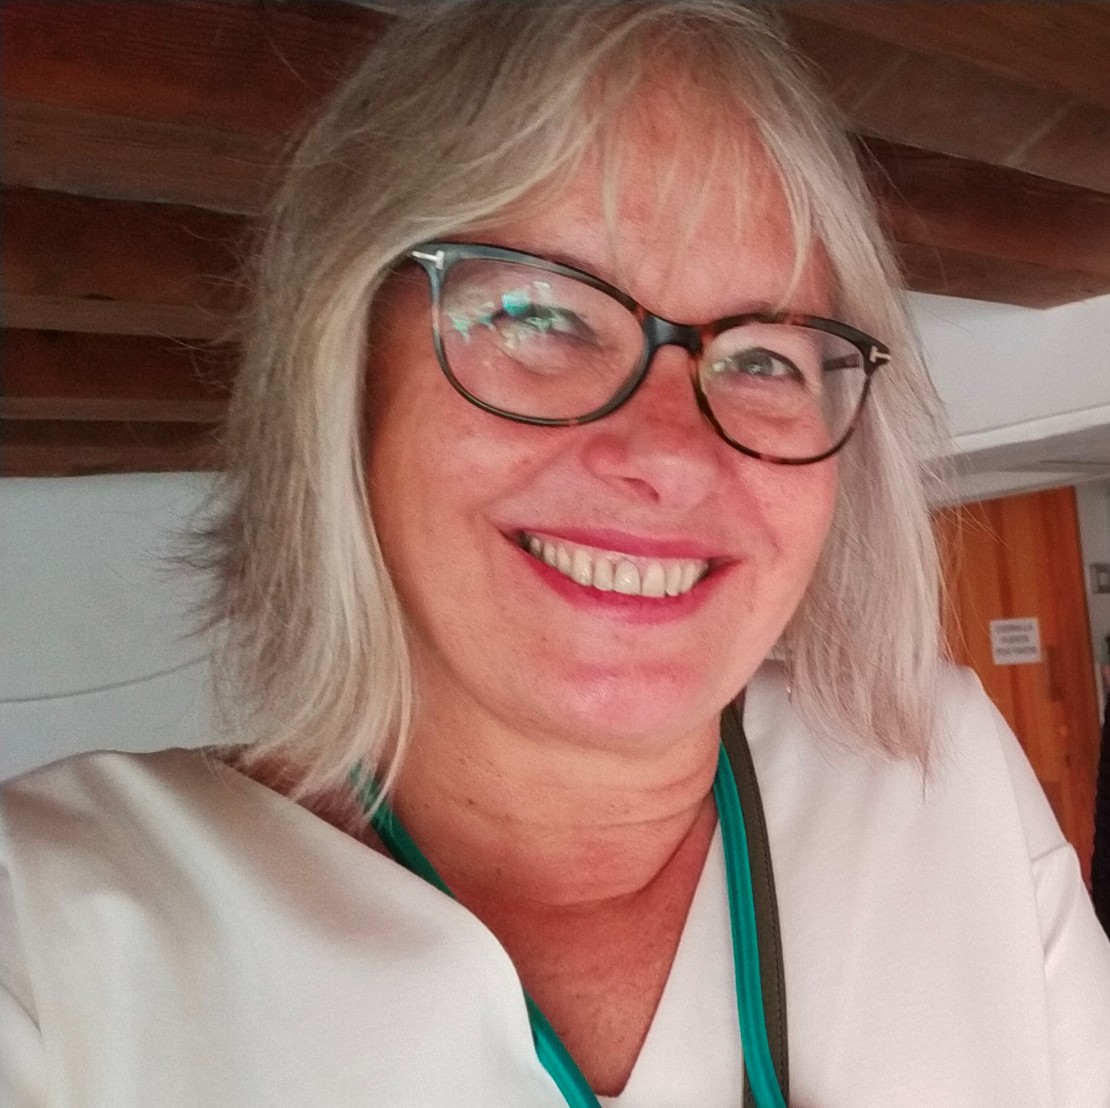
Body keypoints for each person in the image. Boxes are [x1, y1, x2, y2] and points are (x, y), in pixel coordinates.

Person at [2, 3, 1109, 1106]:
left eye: (764, 358)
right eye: (541, 316)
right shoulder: (47, 942)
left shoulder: (943, 782)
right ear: (344, 367)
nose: (669, 454)